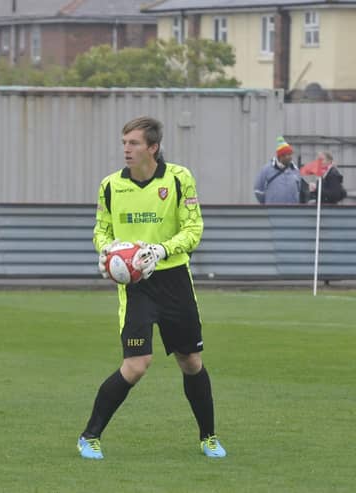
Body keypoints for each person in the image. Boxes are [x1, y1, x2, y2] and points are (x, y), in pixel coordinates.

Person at [77, 116, 226, 461]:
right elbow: (101, 230)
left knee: (190, 361)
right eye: (124, 143)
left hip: (173, 279)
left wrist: (160, 250)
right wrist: (106, 252)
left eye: (134, 143)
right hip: (137, 286)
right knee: (137, 364)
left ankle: (209, 437)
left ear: (153, 147)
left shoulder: (179, 179)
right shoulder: (111, 186)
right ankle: (89, 437)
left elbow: (193, 229)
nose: (126, 150)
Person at [254, 136, 306, 204]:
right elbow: (258, 190)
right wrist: (267, 203)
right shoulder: (266, 170)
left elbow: (299, 190)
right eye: (288, 155)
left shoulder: (295, 170)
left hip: (292, 212)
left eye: (290, 154)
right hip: (273, 211)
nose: (290, 157)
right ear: (280, 156)